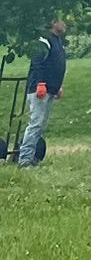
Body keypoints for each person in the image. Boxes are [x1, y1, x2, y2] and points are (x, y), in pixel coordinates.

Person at [17, 19, 66, 167]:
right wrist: (40, 84)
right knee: (35, 124)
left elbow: (56, 64)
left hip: (51, 89)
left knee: (40, 125)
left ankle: (32, 157)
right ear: (53, 23)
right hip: (40, 89)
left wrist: (57, 86)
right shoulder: (44, 40)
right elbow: (37, 63)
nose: (65, 25)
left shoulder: (57, 41)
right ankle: (24, 159)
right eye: (62, 21)